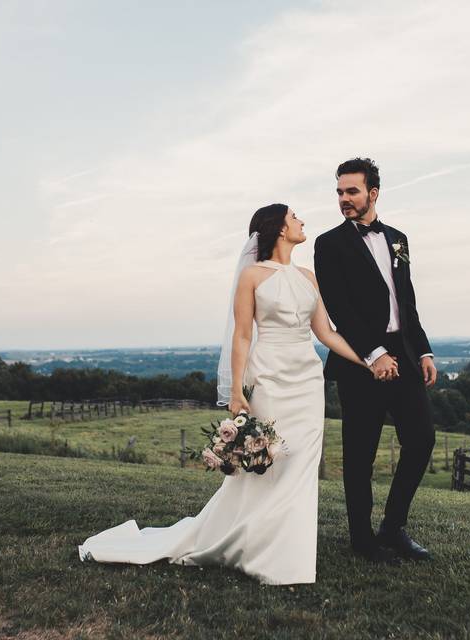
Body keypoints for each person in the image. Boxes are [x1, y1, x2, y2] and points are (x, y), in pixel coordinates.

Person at [78, 203, 367, 585]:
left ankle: (288, 554)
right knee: (270, 465)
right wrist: (236, 391)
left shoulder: (308, 277)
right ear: (280, 229)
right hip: (270, 378)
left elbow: (326, 334)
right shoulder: (251, 276)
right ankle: (254, 546)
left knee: (300, 466)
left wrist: (368, 361)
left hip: (307, 382)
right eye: (294, 216)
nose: (301, 221)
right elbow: (242, 335)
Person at [314, 157, 438, 563]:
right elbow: (340, 309)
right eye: (339, 192)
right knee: (360, 453)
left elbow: (407, 302)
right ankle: (362, 538)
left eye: (351, 191)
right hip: (358, 362)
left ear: (373, 193)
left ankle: (393, 526)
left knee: (421, 440)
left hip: (404, 357)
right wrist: (375, 354)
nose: (344, 199)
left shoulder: (398, 238)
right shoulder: (328, 244)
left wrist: (422, 349)